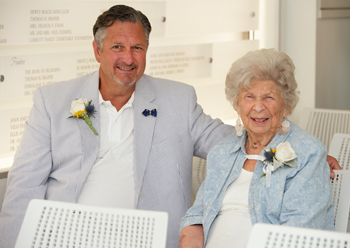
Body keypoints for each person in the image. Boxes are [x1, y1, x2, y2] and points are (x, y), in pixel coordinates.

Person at [0, 5, 340, 248]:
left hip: (147, 237)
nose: (128, 58)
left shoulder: (176, 99)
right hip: (69, 235)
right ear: (97, 49)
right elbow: (23, 185)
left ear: (147, 50)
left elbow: (233, 142)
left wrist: (293, 148)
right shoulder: (53, 100)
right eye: (117, 46)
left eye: (137, 47)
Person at [179, 49, 334, 248]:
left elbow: (299, 234)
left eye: (268, 97)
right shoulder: (222, 152)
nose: (258, 107)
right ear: (237, 104)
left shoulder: (307, 153)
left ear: (286, 105)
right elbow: (197, 216)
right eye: (249, 97)